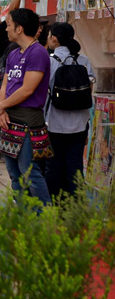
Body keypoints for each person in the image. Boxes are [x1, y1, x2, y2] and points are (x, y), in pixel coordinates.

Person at [0, 8, 52, 206]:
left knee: (30, 172)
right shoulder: (13, 54)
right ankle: (23, 215)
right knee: (14, 173)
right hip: (9, 119)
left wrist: (1, 106)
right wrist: (1, 109)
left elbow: (27, 90)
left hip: (28, 120)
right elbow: (5, 85)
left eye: (8, 25)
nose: (6, 29)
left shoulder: (38, 53)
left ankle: (44, 218)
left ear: (19, 28)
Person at [45, 23, 94, 197]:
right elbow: (89, 89)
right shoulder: (83, 60)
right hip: (80, 123)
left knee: (53, 165)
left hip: (54, 122)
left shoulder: (48, 61)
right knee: (75, 165)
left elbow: (44, 93)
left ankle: (53, 205)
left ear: (55, 39)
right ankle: (75, 207)